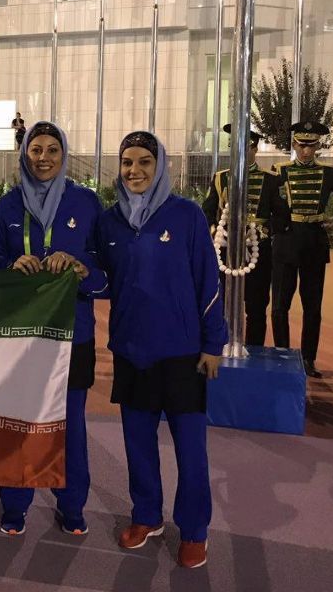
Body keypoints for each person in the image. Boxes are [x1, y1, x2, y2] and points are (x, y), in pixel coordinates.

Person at [96, 131, 227, 569]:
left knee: (191, 451)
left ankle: (194, 530)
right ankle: (147, 516)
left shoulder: (186, 215)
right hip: (132, 352)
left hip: (183, 355)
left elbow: (208, 282)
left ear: (160, 166)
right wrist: (72, 268)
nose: (134, 170)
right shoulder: (109, 222)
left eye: (144, 162)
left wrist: (213, 343)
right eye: (127, 162)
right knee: (138, 445)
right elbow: (101, 278)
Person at [0, 121, 107, 536]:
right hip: (19, 335)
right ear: (25, 155)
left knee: (70, 425)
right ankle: (15, 503)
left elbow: (105, 272)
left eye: (52, 150)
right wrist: (10, 265)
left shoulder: (86, 203)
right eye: (36, 150)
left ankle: (71, 504)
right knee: (18, 420)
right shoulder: (7, 206)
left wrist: (80, 268)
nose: (43, 158)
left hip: (73, 334)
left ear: (64, 155)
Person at [271, 121, 333, 378]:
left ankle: (309, 359)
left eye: (311, 146)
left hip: (314, 242)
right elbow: (268, 204)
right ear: (294, 144)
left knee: (312, 306)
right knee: (280, 305)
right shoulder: (280, 171)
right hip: (287, 241)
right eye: (302, 145)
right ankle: (282, 354)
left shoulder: (329, 173)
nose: (306, 151)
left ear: (317, 146)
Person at [201, 124, 288, 347]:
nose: (238, 152)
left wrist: (264, 231)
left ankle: (254, 349)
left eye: (244, 148)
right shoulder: (220, 178)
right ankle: (221, 346)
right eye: (234, 147)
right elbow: (208, 210)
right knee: (222, 303)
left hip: (258, 250)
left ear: (254, 149)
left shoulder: (271, 179)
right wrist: (215, 230)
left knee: (256, 306)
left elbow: (282, 215)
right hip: (226, 248)